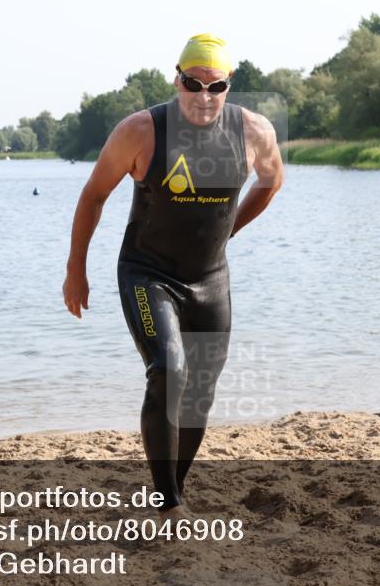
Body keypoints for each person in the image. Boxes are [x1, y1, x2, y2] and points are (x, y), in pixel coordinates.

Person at [63, 33, 284, 519]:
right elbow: (93, 196)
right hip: (148, 274)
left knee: (201, 390)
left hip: (209, 278)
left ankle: (171, 487)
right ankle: (169, 503)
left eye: (216, 85)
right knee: (169, 371)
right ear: (177, 77)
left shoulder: (253, 131)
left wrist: (231, 230)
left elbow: (272, 180)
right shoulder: (141, 131)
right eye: (193, 83)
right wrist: (75, 269)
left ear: (229, 86)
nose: (203, 96)